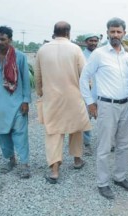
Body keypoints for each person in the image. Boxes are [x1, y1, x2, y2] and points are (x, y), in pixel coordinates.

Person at [80, 17, 128, 199]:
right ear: (107, 33)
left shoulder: (127, 55)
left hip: (125, 105)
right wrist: (90, 102)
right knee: (104, 147)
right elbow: (84, 77)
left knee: (123, 145)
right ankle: (102, 183)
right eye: (112, 31)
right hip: (106, 106)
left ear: (124, 33)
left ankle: (120, 177)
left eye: (118, 32)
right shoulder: (99, 54)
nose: (115, 35)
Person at [35, 21, 90, 184]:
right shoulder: (75, 49)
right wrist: (87, 94)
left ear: (54, 32)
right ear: (68, 33)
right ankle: (77, 161)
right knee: (76, 129)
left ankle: (54, 171)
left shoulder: (42, 49)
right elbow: (85, 74)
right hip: (74, 96)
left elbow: (38, 76)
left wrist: (40, 93)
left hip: (52, 98)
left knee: (53, 132)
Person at [0, 26, 31, 179]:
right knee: (2, 135)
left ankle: (24, 164)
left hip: (17, 103)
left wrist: (26, 101)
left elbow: (25, 80)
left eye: (2, 39)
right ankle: (10, 160)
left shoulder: (20, 56)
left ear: (10, 40)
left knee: (20, 134)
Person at [82, 33, 100, 156]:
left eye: (95, 40)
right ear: (85, 42)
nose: (93, 43)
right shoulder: (81, 56)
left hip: (101, 91)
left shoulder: (101, 54)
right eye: (90, 40)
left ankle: (106, 143)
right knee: (85, 120)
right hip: (86, 93)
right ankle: (86, 144)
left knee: (104, 119)